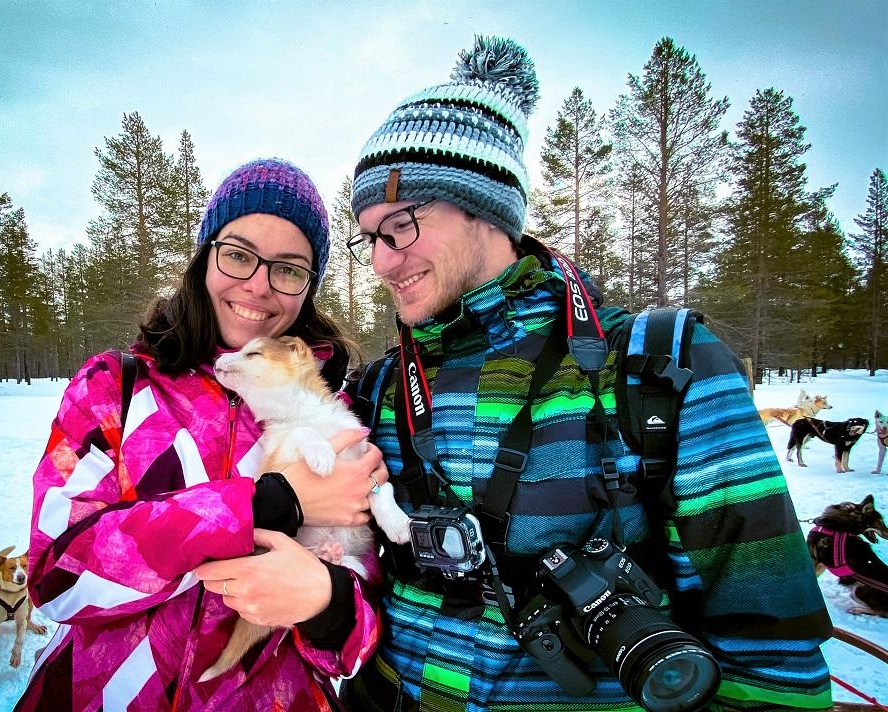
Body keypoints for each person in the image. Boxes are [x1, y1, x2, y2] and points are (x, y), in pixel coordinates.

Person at [340, 36, 833, 711]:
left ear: (484, 208)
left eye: (399, 226)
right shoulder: (380, 390)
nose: (382, 262)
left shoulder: (660, 369)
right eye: (368, 237)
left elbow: (773, 657)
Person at [15, 158, 387, 711]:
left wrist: (328, 604)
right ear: (204, 257)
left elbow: (361, 634)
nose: (259, 287)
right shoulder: (113, 389)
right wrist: (262, 505)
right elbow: (55, 578)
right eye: (239, 255)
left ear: (308, 288)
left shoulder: (336, 414)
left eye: (287, 269)